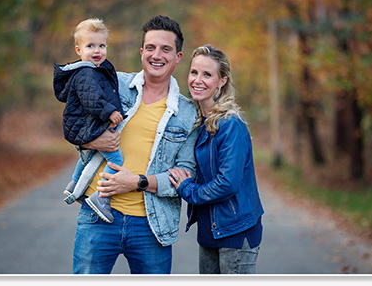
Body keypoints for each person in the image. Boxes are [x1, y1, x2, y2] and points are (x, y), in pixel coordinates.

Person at [72, 15, 198, 274]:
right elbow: (75, 124)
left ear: (178, 57)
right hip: (97, 216)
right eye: (150, 47)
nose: (156, 55)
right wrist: (95, 140)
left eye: (165, 49)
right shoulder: (113, 84)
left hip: (152, 226)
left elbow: (185, 176)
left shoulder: (188, 113)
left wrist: (137, 182)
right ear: (142, 52)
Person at [168, 44, 264, 274]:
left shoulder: (230, 124)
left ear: (222, 81)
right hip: (209, 230)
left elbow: (228, 183)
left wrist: (187, 189)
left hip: (236, 230)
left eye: (207, 75)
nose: (197, 80)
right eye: (194, 72)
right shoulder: (198, 123)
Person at [53, 18, 125, 223]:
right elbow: (92, 100)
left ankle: (74, 184)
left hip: (83, 124)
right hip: (85, 124)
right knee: (116, 160)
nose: (97, 51)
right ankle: (101, 197)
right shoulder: (86, 73)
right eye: (90, 46)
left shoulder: (94, 70)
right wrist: (110, 112)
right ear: (78, 50)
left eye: (102, 46)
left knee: (90, 154)